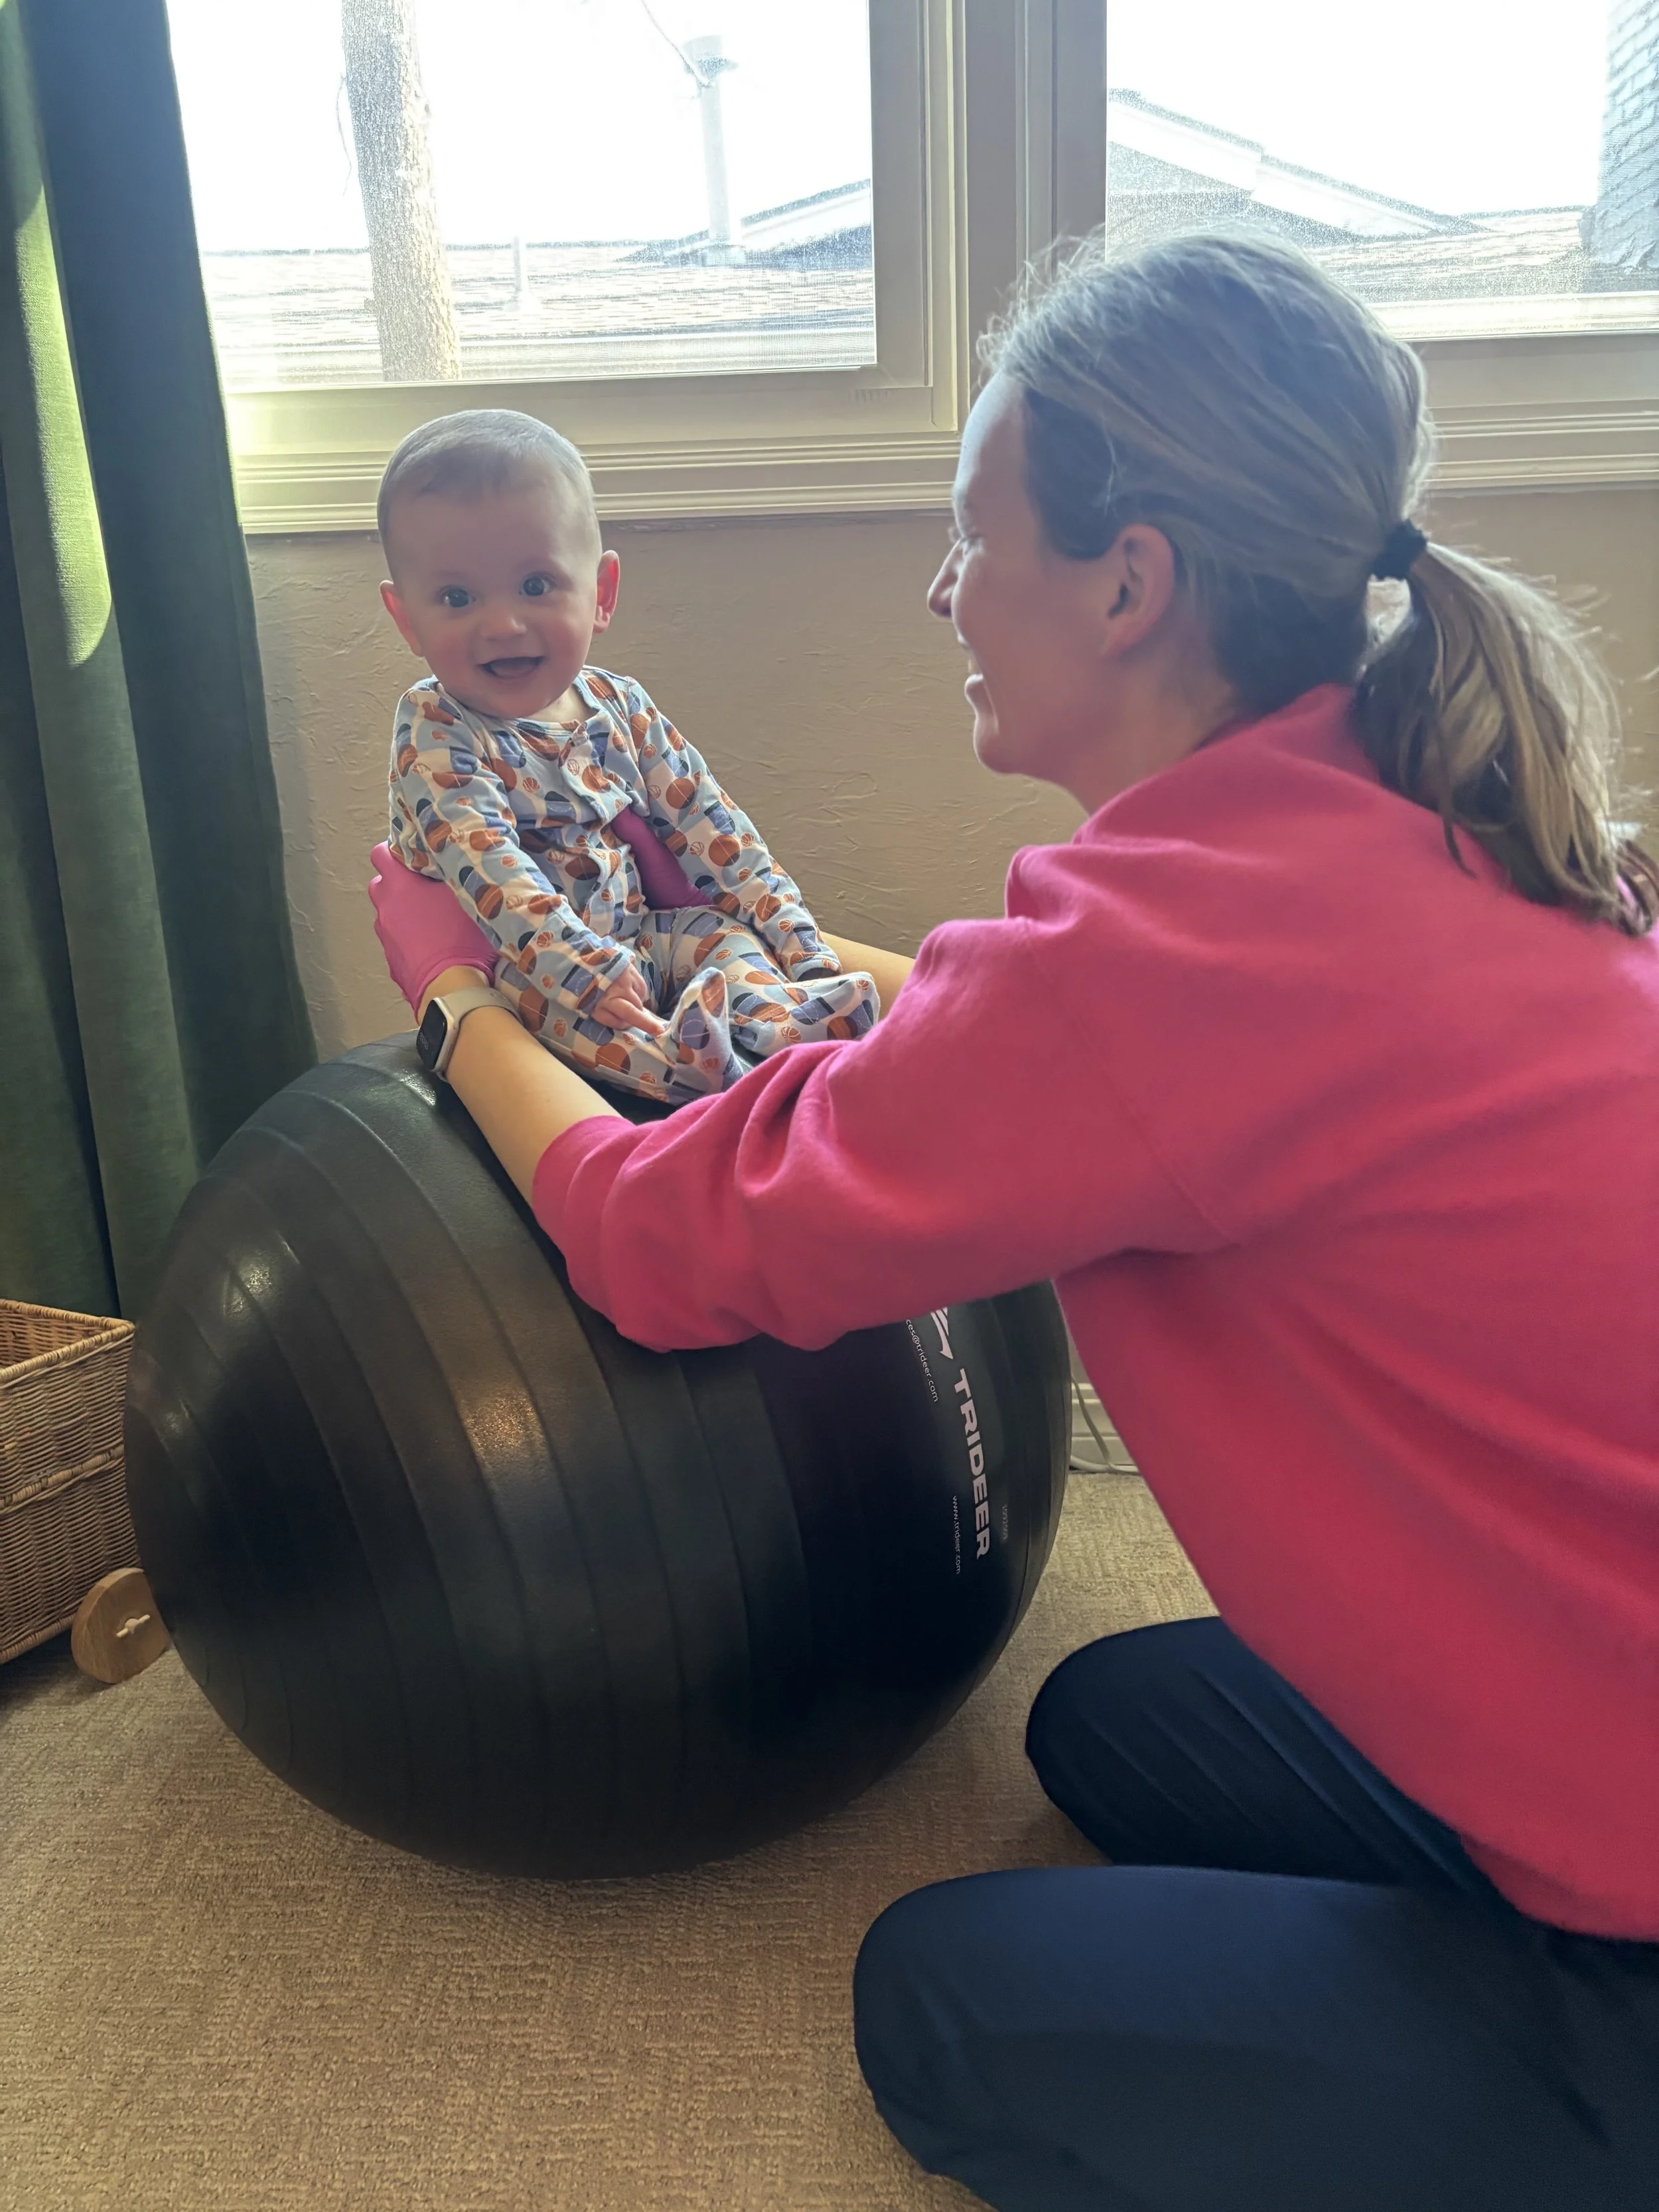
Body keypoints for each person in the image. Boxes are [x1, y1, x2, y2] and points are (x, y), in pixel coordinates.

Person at [368, 232, 1659, 2211]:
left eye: (971, 536)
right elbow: (1010, 1044)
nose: (940, 587)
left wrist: (460, 998)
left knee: (943, 2004)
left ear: (1125, 580)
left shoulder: (1145, 970)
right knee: (1107, 1722)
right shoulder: (1430, 811)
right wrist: (816, 1001)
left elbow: (644, 1239)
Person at [377, 409, 879, 1103]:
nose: (502, 624)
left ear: (601, 594)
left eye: (535, 586)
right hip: (535, 966)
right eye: (457, 597)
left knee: (724, 935)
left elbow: (715, 829)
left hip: (647, 929)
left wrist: (798, 945)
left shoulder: (621, 705)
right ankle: (685, 1065)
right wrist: (584, 968)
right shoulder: (437, 727)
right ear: (407, 619)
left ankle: (787, 1027)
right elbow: (492, 869)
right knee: (562, 1014)